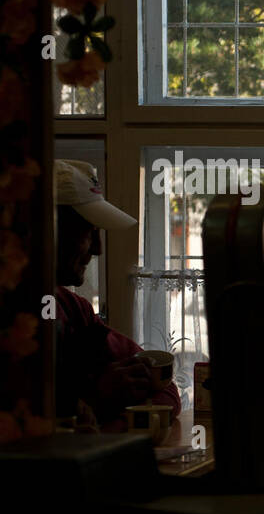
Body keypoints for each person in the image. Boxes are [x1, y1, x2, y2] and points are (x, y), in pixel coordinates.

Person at [53, 159, 181, 432]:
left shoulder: (76, 310)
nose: (98, 248)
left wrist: (105, 429)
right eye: (89, 231)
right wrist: (97, 402)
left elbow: (166, 390)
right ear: (51, 229)